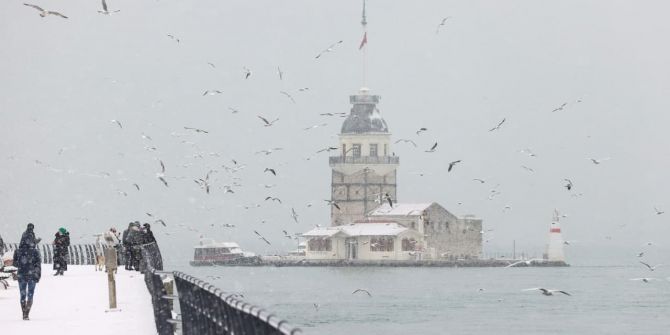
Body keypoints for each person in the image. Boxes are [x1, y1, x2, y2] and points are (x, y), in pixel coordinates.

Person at [13, 224, 42, 320]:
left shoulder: (18, 251)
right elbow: (38, 265)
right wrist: (37, 275)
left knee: (22, 294)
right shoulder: (35, 252)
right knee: (30, 293)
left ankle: (23, 312)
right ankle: (27, 313)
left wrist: (22, 263)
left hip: (21, 274)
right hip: (32, 275)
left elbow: (15, 264)